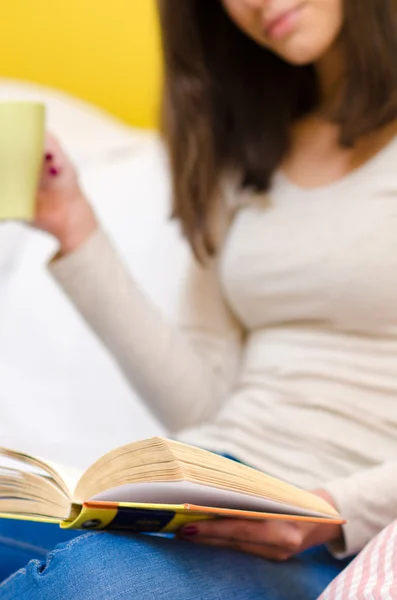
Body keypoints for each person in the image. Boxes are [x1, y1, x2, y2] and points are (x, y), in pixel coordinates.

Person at [1, 0, 397, 597]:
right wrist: (74, 225)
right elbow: (204, 395)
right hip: (221, 491)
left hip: (344, 526)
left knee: (98, 583)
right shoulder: (250, 153)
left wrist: (336, 507)